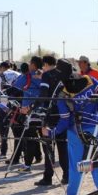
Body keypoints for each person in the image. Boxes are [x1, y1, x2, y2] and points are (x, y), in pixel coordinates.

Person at [44, 60, 98, 195]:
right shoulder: (90, 80)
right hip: (95, 130)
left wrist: (51, 132)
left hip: (76, 133)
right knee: (96, 164)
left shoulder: (63, 93)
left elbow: (64, 121)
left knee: (76, 167)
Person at [37, 55, 70, 186]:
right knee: (63, 147)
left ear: (45, 64)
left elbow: (43, 94)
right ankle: (66, 176)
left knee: (48, 147)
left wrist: (37, 107)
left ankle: (48, 177)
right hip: (64, 115)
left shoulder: (47, 75)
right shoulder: (66, 75)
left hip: (50, 116)